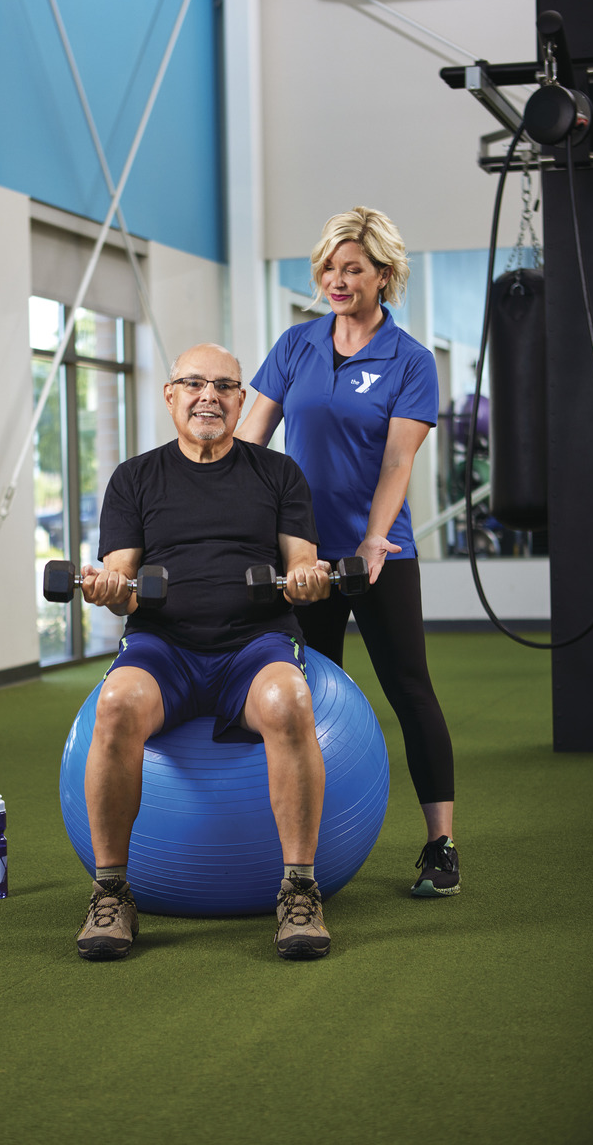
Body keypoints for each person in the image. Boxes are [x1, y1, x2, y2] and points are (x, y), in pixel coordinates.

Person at [76, 342, 335, 961]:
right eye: (192, 384)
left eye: (223, 386)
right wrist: (110, 589)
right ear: (170, 396)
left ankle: (300, 891)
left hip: (255, 646)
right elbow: (121, 581)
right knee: (114, 705)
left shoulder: (278, 475)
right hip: (164, 647)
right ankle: (111, 894)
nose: (207, 396)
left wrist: (308, 576)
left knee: (291, 699)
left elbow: (302, 561)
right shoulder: (135, 478)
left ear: (242, 400)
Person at [236, 207, 460, 898]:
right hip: (302, 557)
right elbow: (250, 445)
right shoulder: (297, 345)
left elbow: (398, 462)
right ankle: (305, 849)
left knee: (409, 690)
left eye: (352, 267)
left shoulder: (410, 359)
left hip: (376, 556)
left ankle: (440, 844)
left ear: (383, 276)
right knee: (303, 700)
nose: (337, 278)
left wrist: (372, 539)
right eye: (329, 267)